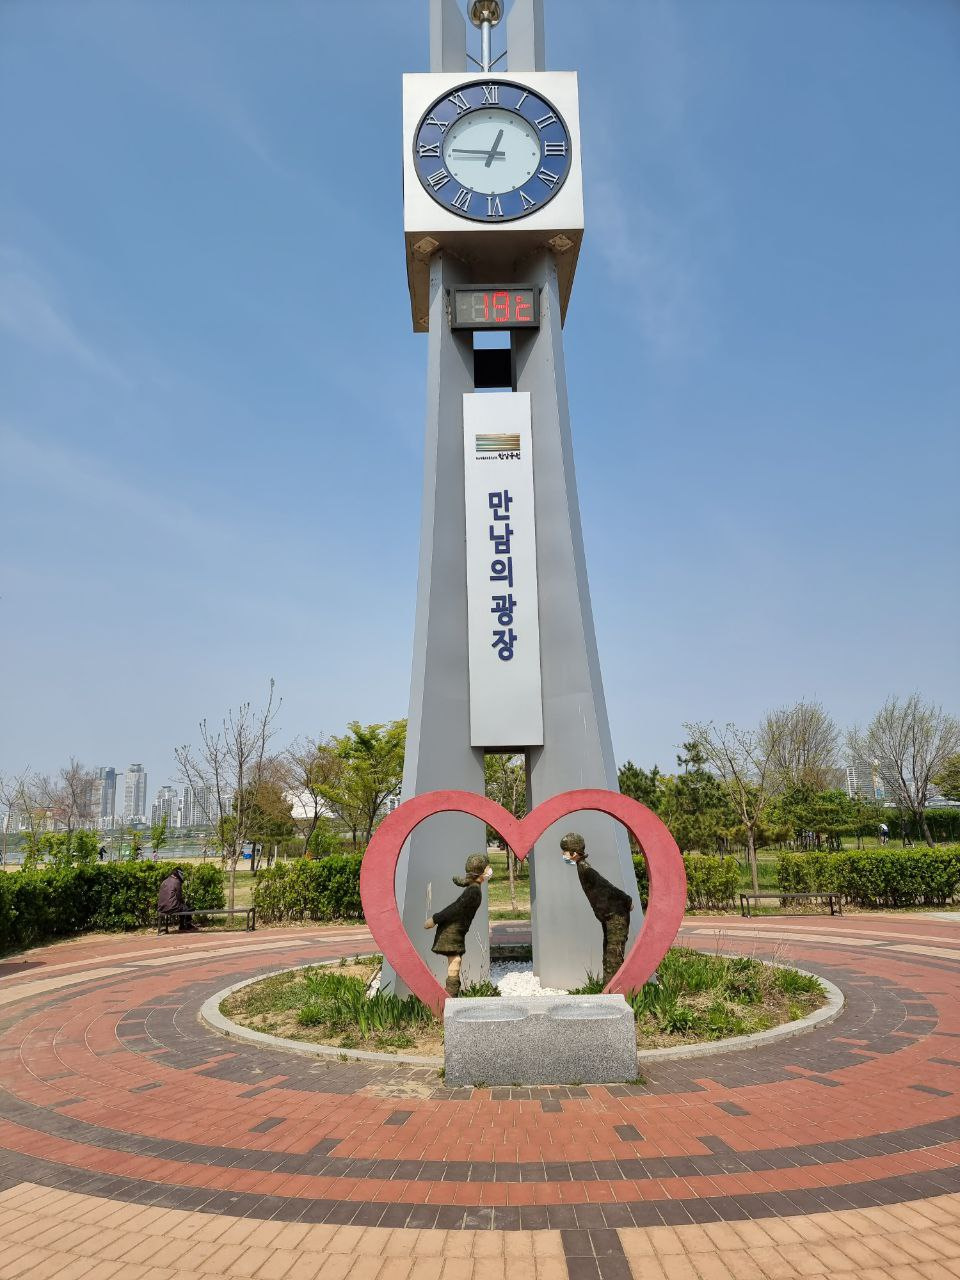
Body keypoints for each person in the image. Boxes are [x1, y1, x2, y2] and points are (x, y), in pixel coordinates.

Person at [560, 832, 633, 987]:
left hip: (616, 916)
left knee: (613, 957)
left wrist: (627, 900)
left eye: (565, 851)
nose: (563, 855)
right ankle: (609, 993)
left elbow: (607, 886)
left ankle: (615, 994)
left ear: (574, 853)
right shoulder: (581, 867)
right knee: (609, 956)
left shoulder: (586, 870)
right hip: (608, 916)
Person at [424, 853, 492, 997]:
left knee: (454, 959)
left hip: (456, 929)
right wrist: (435, 919)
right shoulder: (474, 891)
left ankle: (451, 995)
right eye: (487, 868)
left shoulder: (473, 888)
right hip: (452, 930)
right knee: (455, 959)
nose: (489, 871)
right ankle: (451, 995)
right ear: (480, 872)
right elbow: (455, 908)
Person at [157, 867, 198, 932]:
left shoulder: (165, 881)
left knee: (182, 907)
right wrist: (183, 903)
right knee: (187, 908)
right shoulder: (177, 882)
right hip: (171, 907)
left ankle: (182, 925)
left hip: (161, 908)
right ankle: (187, 925)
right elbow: (179, 897)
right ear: (178, 874)